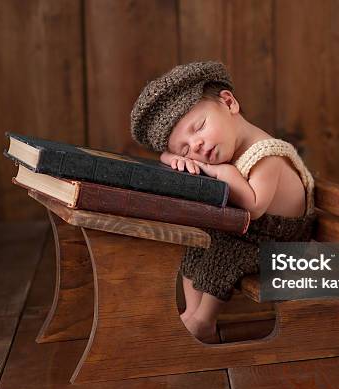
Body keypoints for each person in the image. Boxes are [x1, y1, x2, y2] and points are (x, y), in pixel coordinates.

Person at [130, 61, 316, 343]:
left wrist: (223, 173)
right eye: (186, 148)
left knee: (222, 254)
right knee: (195, 243)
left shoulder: (267, 155)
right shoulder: (225, 148)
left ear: (229, 103)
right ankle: (191, 312)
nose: (198, 147)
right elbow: (165, 157)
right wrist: (173, 158)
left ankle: (205, 321)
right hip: (249, 235)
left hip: (280, 243)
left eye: (199, 127)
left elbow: (254, 207)